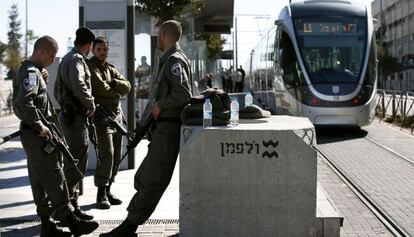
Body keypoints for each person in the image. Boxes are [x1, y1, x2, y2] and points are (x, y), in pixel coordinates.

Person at [100, 20, 192, 237]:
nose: (157, 39)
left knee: (152, 179)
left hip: (168, 129)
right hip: (160, 129)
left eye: (159, 34)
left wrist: (161, 105)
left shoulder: (174, 60)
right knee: (142, 177)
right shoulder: (169, 59)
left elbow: (183, 93)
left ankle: (129, 226)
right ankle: (131, 222)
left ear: (164, 35)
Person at [13, 36, 98, 237]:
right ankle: (72, 222)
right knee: (54, 175)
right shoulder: (31, 72)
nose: (53, 61)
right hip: (38, 135)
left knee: (39, 179)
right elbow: (25, 102)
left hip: (33, 134)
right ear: (41, 52)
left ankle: (47, 226)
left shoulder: (30, 71)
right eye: (51, 56)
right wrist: (40, 125)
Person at [54, 27, 96, 221]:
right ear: (89, 45)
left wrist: (66, 106)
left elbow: (56, 91)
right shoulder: (77, 60)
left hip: (70, 116)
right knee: (76, 163)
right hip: (75, 120)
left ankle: (71, 206)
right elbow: (79, 85)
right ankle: (65, 208)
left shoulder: (66, 58)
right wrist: (90, 103)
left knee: (73, 161)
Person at [88, 36, 131, 209]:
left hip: (116, 116)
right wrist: (116, 90)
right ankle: (101, 194)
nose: (102, 53)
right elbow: (100, 88)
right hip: (102, 116)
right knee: (107, 154)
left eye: (105, 49)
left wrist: (113, 82)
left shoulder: (110, 68)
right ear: (93, 50)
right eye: (99, 49)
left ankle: (108, 189)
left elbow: (127, 86)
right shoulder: (91, 67)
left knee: (117, 155)